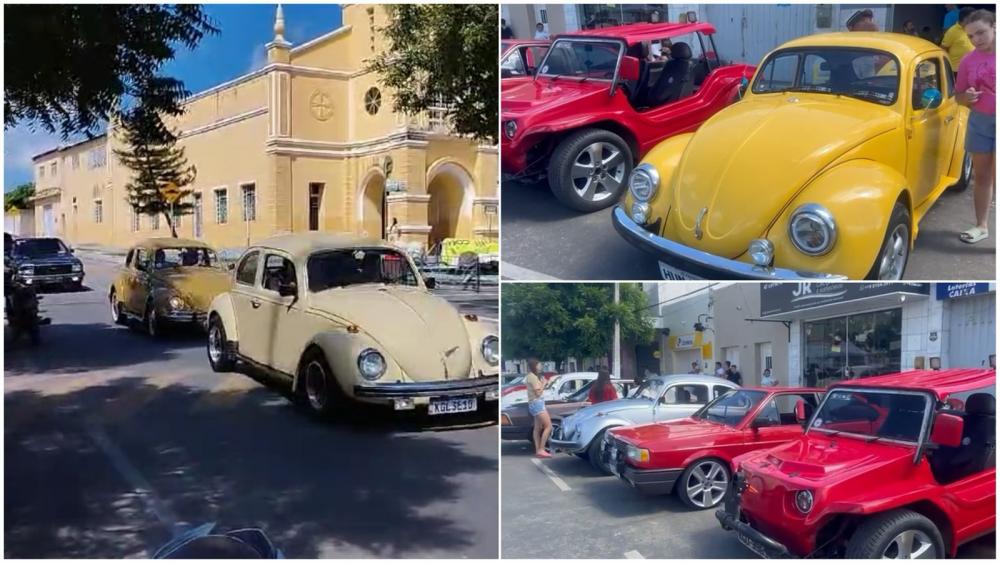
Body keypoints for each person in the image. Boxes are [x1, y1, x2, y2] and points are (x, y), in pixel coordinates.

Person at [956, 9, 996, 245]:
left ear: (995, 26)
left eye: (981, 32)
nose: (976, 40)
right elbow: (958, 96)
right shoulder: (968, 60)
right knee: (981, 177)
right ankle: (981, 226)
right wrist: (966, 97)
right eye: (971, 36)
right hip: (979, 122)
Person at [526, 359, 552, 458]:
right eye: (539, 365)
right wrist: (544, 384)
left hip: (533, 403)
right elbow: (538, 393)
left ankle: (538, 450)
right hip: (537, 404)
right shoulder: (532, 377)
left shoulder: (530, 376)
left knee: (537, 428)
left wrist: (541, 383)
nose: (540, 366)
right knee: (548, 426)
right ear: (535, 366)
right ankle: (541, 449)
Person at [942, 7, 976, 78]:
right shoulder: (952, 32)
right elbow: (943, 49)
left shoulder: (972, 29)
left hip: (972, 67)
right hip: (957, 70)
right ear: (965, 19)